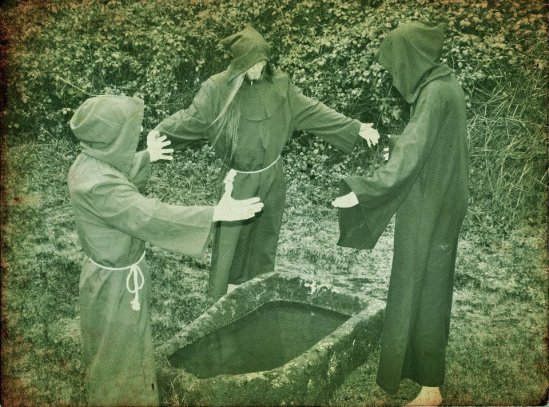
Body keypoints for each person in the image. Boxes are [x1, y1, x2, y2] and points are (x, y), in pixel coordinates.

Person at [154, 25, 380, 299]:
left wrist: (355, 127)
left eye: (262, 62)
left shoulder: (280, 85)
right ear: (239, 63)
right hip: (238, 179)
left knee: (264, 238)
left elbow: (312, 111)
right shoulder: (217, 88)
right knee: (231, 243)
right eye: (252, 64)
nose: (258, 68)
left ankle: (256, 294)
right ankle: (221, 299)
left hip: (272, 177)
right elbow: (191, 118)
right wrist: (158, 134)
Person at [67, 95, 263, 406]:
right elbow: (148, 215)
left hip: (111, 277)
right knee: (120, 353)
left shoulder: (88, 164)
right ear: (111, 137)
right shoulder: (99, 186)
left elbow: (115, 173)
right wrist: (215, 213)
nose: (138, 131)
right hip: (114, 285)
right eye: (131, 130)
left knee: (121, 347)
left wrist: (147, 157)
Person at [332, 22, 469, 406]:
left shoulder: (434, 95)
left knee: (423, 288)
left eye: (396, 67)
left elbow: (411, 155)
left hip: (429, 205)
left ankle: (431, 389)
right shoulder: (445, 85)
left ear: (410, 60)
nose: (394, 77)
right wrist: (397, 142)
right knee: (427, 285)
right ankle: (425, 378)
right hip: (441, 200)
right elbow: (427, 144)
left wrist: (362, 192)